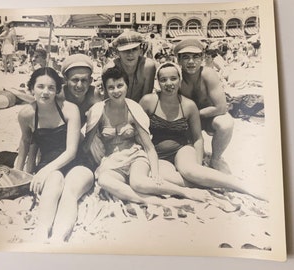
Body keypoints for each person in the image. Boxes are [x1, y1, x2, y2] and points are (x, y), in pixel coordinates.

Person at [82, 66, 213, 207]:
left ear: (126, 86)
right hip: (112, 161)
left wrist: (155, 172)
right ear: (105, 90)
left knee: (138, 183)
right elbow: (87, 145)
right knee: (104, 181)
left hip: (135, 157)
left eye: (120, 85)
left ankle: (185, 193)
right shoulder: (98, 111)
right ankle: (150, 200)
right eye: (111, 87)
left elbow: (149, 147)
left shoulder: (134, 109)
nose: (116, 91)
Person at [140, 62, 265, 200]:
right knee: (167, 177)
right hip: (158, 152)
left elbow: (198, 138)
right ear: (158, 82)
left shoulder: (188, 105)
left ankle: (238, 184)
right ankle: (208, 182)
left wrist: (198, 165)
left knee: (190, 170)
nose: (169, 83)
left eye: (173, 78)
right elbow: (137, 130)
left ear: (180, 80)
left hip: (182, 148)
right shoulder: (148, 102)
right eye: (163, 80)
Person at [15, 67, 81, 242]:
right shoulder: (26, 114)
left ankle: (60, 237)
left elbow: (72, 151)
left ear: (57, 90)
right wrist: (19, 175)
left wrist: (43, 171)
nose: (46, 92)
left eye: (51, 88)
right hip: (48, 163)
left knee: (70, 191)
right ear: (31, 89)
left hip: (78, 161)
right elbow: (25, 143)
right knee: (53, 184)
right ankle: (43, 231)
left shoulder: (69, 109)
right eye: (40, 87)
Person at [44, 54, 103, 242]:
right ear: (65, 81)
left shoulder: (95, 96)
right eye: (75, 80)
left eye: (84, 80)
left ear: (91, 80)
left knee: (71, 190)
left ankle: (59, 238)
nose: (79, 85)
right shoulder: (57, 96)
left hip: (79, 148)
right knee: (55, 189)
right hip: (57, 148)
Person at [175, 38, 234, 173]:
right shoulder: (176, 77)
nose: (191, 62)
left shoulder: (208, 74)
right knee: (194, 164)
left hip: (208, 117)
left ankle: (216, 158)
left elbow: (221, 107)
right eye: (186, 57)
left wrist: (194, 115)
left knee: (226, 124)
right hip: (186, 123)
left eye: (195, 57)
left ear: (201, 58)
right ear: (178, 60)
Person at [0, 49, 48, 115]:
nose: (33, 59)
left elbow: (33, 99)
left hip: (13, 97)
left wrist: (13, 91)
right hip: (10, 92)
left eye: (37, 57)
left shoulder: (44, 77)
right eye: (34, 56)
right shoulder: (37, 72)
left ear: (44, 58)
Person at [103, 30, 156, 102]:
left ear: (140, 51)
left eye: (134, 49)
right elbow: (108, 100)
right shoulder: (110, 68)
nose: (130, 54)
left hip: (140, 109)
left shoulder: (147, 67)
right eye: (126, 50)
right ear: (118, 53)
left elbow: (146, 99)